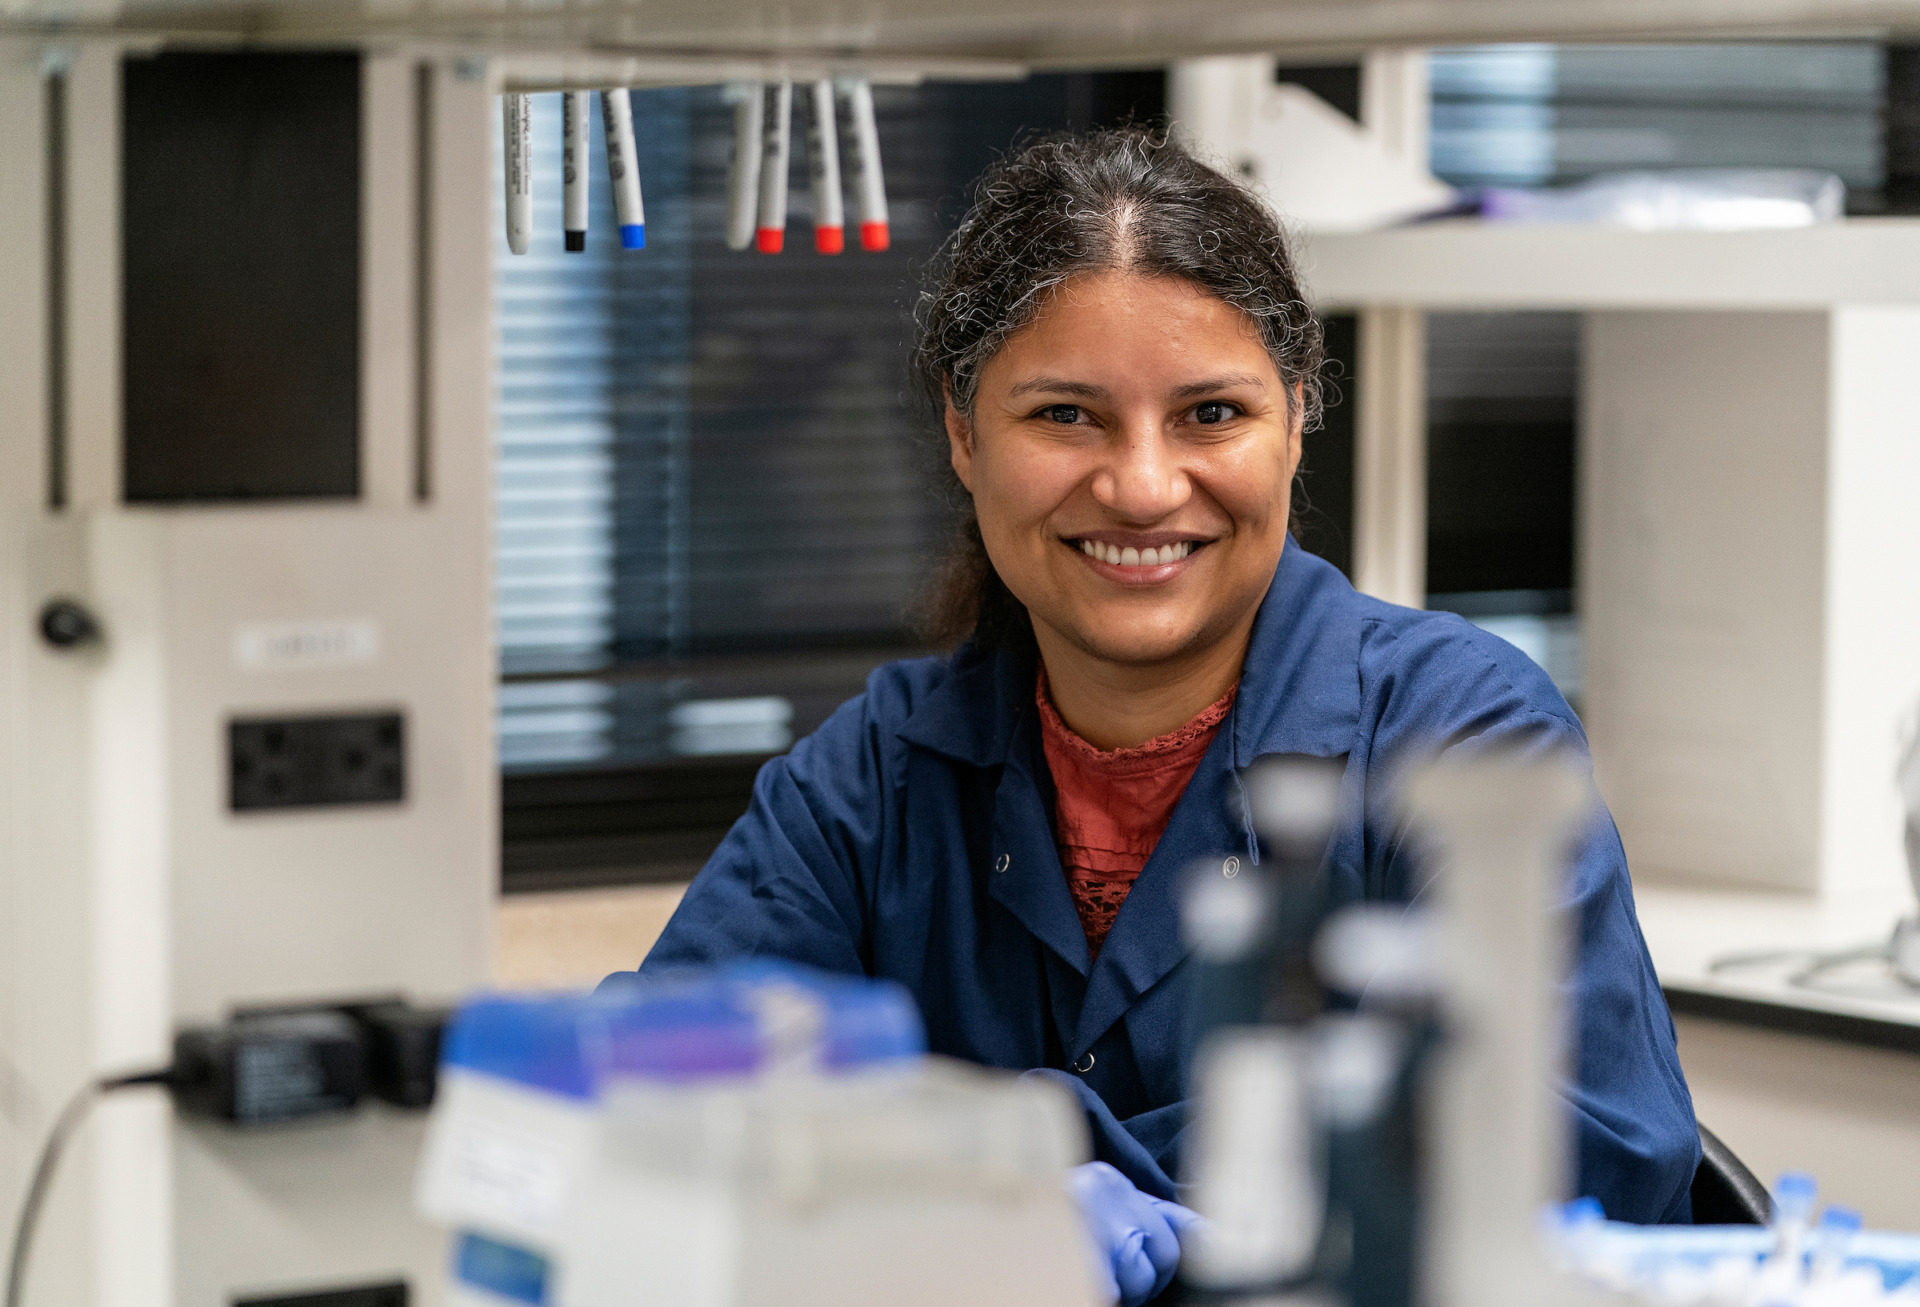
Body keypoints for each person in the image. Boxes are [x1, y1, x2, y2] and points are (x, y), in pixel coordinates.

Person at [629, 126, 1700, 1298]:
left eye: (1211, 414)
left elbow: (1588, 1143)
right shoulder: (879, 774)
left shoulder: (1458, 731)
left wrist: (1038, 1164)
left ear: (1297, 416)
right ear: (961, 431)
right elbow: (647, 1099)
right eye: (1065, 416)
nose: (1142, 485)